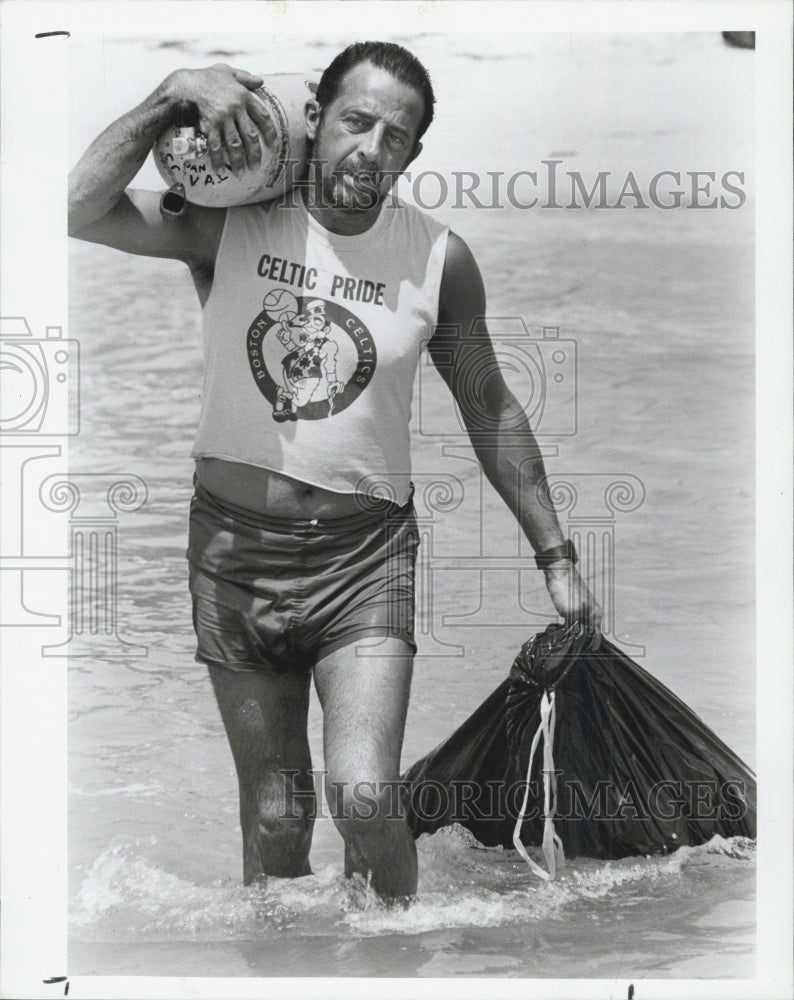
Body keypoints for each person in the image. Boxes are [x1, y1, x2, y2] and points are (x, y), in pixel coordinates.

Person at [68, 41, 600, 904]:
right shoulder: (231, 220)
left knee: (361, 795)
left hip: (363, 558)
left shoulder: (437, 260)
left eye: (396, 136)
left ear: (415, 153)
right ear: (314, 118)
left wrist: (557, 556)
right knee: (277, 814)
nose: (371, 149)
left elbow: (490, 407)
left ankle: (395, 964)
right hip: (233, 552)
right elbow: (76, 207)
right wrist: (170, 96)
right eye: (356, 121)